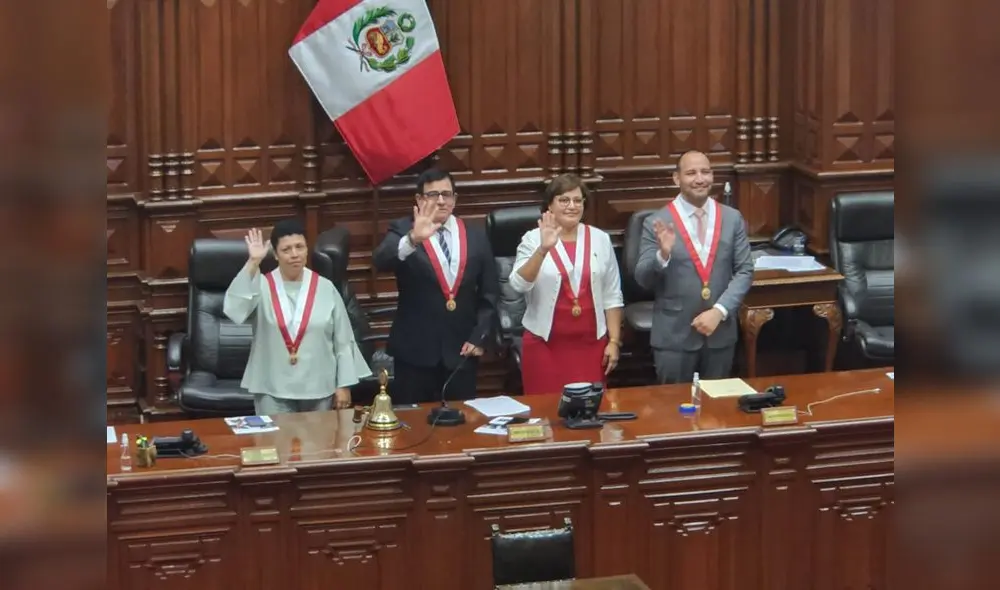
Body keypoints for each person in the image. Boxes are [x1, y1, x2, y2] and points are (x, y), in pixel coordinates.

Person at [372, 168, 499, 404]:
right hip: (415, 353)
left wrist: (479, 337)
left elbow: (489, 293)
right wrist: (412, 239)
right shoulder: (402, 230)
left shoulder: (476, 235)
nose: (441, 201)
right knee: (414, 427)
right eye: (433, 195)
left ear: (455, 199)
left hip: (462, 352)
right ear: (419, 200)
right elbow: (381, 260)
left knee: (460, 428)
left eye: (447, 194)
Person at [224, 219, 373, 415]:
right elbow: (234, 310)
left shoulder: (325, 288)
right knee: (273, 445)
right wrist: (253, 262)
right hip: (272, 389)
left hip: (319, 388)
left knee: (319, 445)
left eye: (299, 247)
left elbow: (343, 341)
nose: (294, 254)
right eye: (286, 250)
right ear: (276, 255)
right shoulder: (261, 285)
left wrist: (344, 385)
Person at [634, 150, 754, 383]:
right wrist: (663, 254)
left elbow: (745, 271)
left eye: (705, 172)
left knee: (717, 413)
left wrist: (718, 311)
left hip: (720, 333)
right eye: (691, 173)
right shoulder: (656, 222)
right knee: (673, 411)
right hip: (674, 336)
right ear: (676, 179)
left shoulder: (732, 218)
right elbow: (642, 278)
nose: (700, 179)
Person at [509, 174, 625, 395]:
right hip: (545, 346)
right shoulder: (533, 239)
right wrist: (543, 250)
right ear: (550, 205)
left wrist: (614, 341)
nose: (572, 206)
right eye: (564, 200)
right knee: (545, 413)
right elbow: (519, 284)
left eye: (578, 200)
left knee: (587, 413)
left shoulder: (600, 238)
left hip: (592, 345)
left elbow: (612, 295)